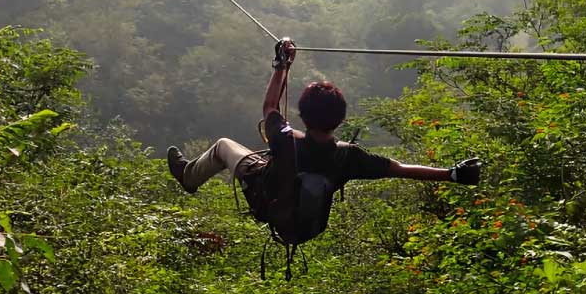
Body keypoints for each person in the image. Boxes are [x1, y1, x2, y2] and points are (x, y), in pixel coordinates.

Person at [166, 40, 482, 202]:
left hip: (268, 199)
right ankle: (190, 176)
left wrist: (282, 65)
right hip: (304, 223)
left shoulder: (285, 137)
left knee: (223, 146)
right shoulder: (349, 156)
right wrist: (451, 174)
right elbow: (400, 169)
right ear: (340, 119)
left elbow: (269, 105)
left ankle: (189, 177)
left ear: (302, 116)